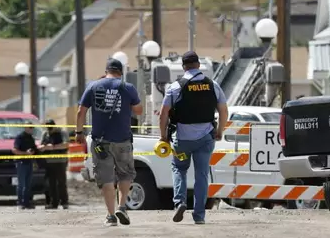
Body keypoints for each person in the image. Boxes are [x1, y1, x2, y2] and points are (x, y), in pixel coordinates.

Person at [158, 51, 228, 225]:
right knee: (202, 175)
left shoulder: (175, 87)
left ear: (184, 67)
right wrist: (219, 131)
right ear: (198, 65)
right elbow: (224, 111)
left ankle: (180, 202)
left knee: (179, 168)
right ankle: (199, 215)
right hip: (205, 138)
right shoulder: (213, 85)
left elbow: (163, 114)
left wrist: (163, 136)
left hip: (182, 140)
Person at [76, 58, 142, 226]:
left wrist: (79, 132)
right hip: (123, 139)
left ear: (106, 71)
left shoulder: (93, 86)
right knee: (125, 174)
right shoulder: (128, 88)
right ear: (121, 72)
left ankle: (111, 216)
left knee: (106, 178)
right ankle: (122, 207)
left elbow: (80, 112)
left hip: (100, 141)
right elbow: (139, 110)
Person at [39, 119, 69, 209]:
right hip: (48, 162)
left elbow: (66, 144)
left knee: (61, 183)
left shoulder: (62, 132)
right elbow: (41, 146)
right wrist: (44, 148)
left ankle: (64, 202)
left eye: (51, 128)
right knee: (50, 184)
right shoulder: (45, 134)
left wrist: (52, 147)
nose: (49, 130)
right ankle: (53, 203)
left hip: (60, 161)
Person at [12, 122, 38, 210]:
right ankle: (20, 203)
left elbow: (34, 149)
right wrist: (25, 153)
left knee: (28, 184)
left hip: (29, 163)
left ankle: (27, 203)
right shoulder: (20, 137)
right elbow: (14, 150)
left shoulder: (31, 138)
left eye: (32, 127)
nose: (31, 129)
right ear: (26, 128)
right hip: (21, 163)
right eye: (30, 127)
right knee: (21, 184)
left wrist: (33, 152)